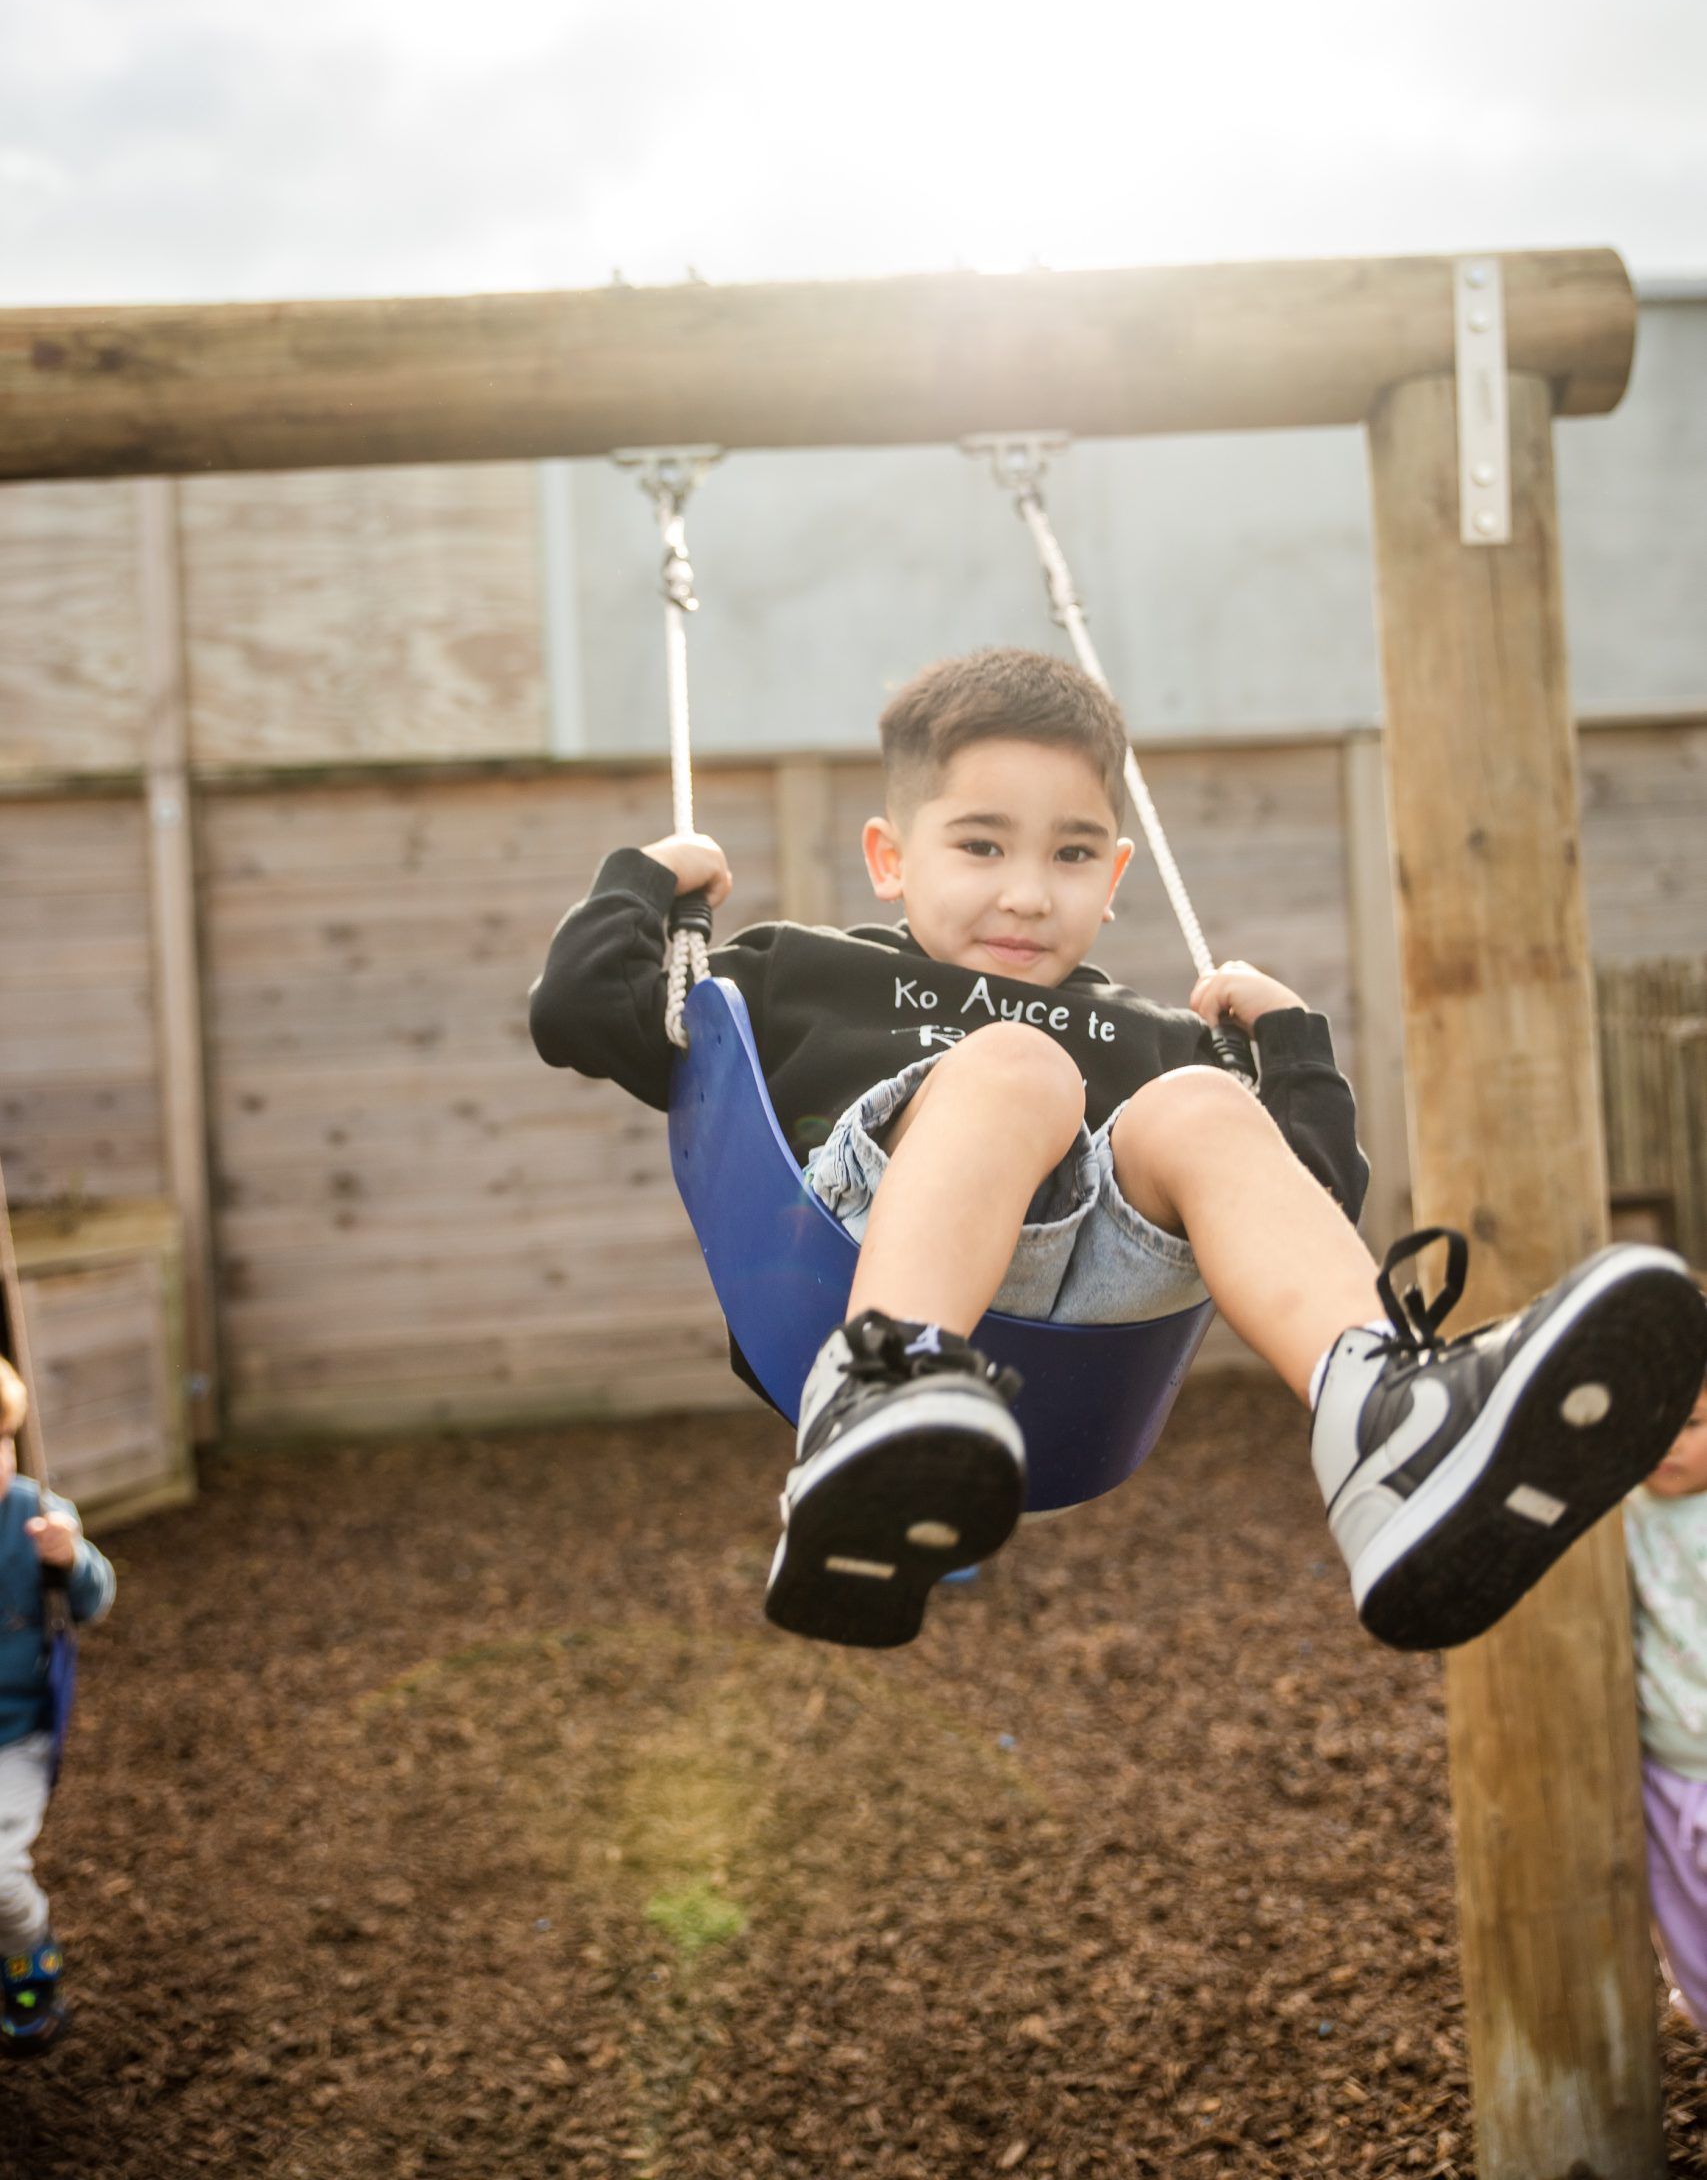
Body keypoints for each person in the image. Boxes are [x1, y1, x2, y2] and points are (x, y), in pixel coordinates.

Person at [529, 646, 1707, 1651]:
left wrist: (1288, 1050)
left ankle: (1389, 1429)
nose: (1030, 895)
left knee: (1198, 1106)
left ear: (1117, 877)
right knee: (1018, 1067)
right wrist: (639, 887)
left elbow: (1308, 1195)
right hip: (853, 1257)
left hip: (1099, 1297)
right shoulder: (804, 972)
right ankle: (882, 1393)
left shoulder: (1152, 1034)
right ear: (892, 857)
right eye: (982, 847)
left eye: (1073, 854)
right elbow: (585, 1014)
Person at [0, 1352, 116, 2055]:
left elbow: (94, 1603)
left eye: (0, 1440)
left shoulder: (36, 1516)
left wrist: (70, 1560)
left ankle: (28, 1962)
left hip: (14, 1737)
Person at [1625, 1357, 1707, 2027]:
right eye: (1649, 1422)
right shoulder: (1622, 1508)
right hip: (1664, 1767)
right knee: (1680, 1923)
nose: (1666, 1442)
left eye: (1690, 1424)